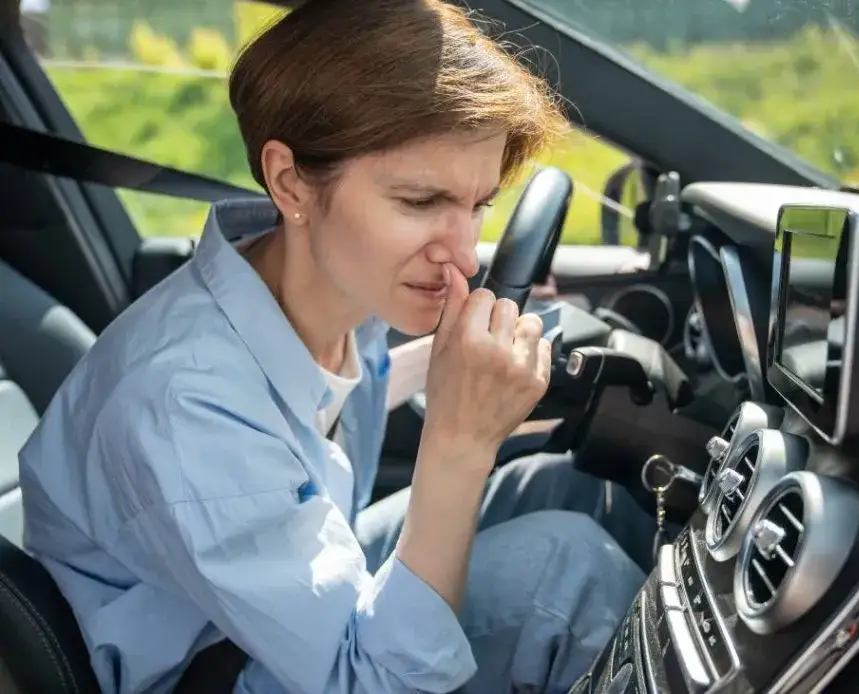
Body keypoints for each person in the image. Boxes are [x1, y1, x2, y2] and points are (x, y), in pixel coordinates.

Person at [17, 1, 657, 692]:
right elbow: (370, 681)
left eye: (478, 206)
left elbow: (338, 393)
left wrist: (486, 362)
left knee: (569, 487)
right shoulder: (184, 403)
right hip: (218, 670)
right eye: (418, 202)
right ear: (291, 182)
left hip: (274, 609)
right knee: (569, 572)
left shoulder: (332, 294)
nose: (466, 256)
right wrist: (459, 438)